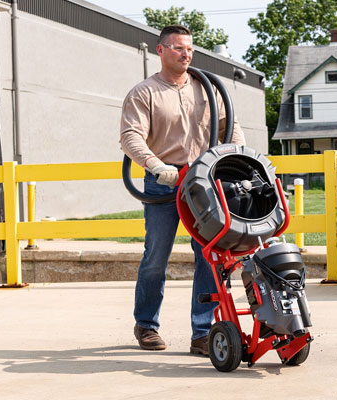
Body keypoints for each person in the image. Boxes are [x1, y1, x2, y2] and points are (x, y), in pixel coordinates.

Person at [119, 25, 245, 355]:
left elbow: (231, 129)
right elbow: (131, 137)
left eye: (189, 48)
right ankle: (146, 325)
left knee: (209, 257)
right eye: (177, 48)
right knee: (156, 257)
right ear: (160, 51)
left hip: (204, 182)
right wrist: (155, 165)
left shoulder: (207, 89)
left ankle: (202, 332)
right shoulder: (144, 93)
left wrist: (236, 157)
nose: (185, 53)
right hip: (164, 182)